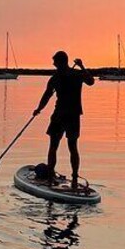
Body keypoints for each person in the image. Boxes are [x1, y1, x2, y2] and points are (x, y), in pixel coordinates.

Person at [32, 51, 95, 188]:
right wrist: (82, 67)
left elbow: (47, 96)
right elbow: (90, 81)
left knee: (54, 146)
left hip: (61, 115)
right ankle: (73, 178)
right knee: (72, 147)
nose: (53, 64)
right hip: (73, 115)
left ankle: (51, 178)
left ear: (61, 62)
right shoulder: (75, 75)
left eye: (55, 62)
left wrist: (39, 109)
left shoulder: (57, 77)